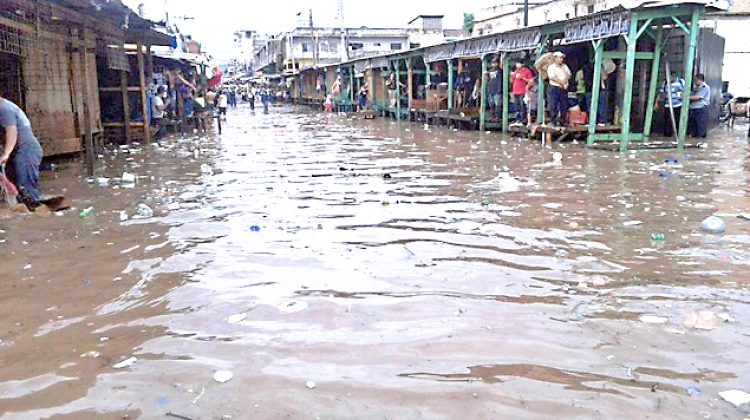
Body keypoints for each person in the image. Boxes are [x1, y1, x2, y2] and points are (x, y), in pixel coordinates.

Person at [0, 94, 43, 209]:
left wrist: (6, 154)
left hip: (26, 151)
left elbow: (12, 132)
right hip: (17, 152)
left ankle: (35, 213)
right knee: (17, 192)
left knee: (26, 189)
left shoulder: (4, 109)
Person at [546, 51, 572, 126]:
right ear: (555, 58)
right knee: (553, 105)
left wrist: (565, 80)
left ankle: (563, 121)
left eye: (562, 58)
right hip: (554, 88)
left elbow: (569, 74)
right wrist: (562, 83)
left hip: (563, 89)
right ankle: (553, 121)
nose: (561, 59)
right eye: (560, 58)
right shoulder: (551, 67)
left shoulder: (565, 66)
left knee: (564, 105)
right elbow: (553, 77)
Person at [656, 72, 685, 137]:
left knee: (678, 120)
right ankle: (667, 135)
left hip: (678, 105)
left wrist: (681, 91)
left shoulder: (681, 82)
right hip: (668, 105)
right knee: (667, 121)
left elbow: (686, 91)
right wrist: (656, 103)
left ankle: (678, 134)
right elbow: (660, 93)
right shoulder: (665, 83)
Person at [689, 73, 710, 138]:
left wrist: (686, 97)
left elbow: (698, 97)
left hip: (701, 109)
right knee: (694, 127)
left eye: (696, 80)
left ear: (700, 80)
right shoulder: (696, 88)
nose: (695, 82)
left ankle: (700, 143)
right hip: (694, 109)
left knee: (700, 127)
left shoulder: (705, 87)